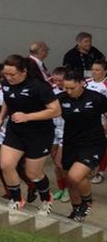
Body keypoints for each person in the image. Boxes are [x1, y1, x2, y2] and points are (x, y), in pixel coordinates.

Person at [0, 55, 61, 215]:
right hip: (15, 130)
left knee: (33, 173)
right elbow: (7, 100)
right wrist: (0, 118)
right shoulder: (6, 83)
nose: (8, 78)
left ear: (24, 71)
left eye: (13, 74)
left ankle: (46, 198)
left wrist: (27, 116)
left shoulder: (39, 86)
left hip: (39, 134)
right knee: (6, 165)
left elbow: (56, 110)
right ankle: (17, 198)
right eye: (6, 74)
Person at [58, 69, 107, 222]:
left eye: (72, 88)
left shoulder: (96, 98)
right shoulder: (60, 98)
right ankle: (76, 210)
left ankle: (87, 202)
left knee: (75, 176)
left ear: (81, 83)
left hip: (93, 144)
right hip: (70, 143)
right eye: (65, 88)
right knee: (70, 179)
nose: (68, 91)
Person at [85, 59, 107, 184]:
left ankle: (101, 171)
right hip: (87, 121)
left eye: (97, 70)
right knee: (89, 146)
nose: (93, 72)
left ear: (105, 71)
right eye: (92, 69)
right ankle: (90, 166)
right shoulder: (86, 83)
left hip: (102, 122)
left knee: (103, 146)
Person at [50, 67, 70, 202]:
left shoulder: (71, 91)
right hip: (52, 128)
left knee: (60, 162)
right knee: (55, 163)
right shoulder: (50, 90)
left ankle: (69, 190)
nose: (57, 83)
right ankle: (61, 188)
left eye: (60, 80)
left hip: (66, 129)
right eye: (55, 80)